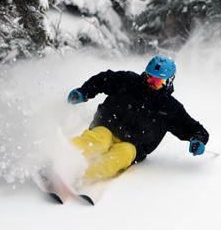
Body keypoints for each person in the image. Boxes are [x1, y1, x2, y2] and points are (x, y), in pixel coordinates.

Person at [67, 55, 209, 184]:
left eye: (157, 81)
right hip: (106, 127)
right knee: (97, 142)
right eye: (149, 77)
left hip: (133, 145)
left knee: (117, 158)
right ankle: (62, 160)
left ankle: (81, 176)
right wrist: (84, 91)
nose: (151, 82)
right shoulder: (128, 82)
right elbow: (103, 80)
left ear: (168, 82)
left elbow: (195, 129)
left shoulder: (170, 108)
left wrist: (198, 140)